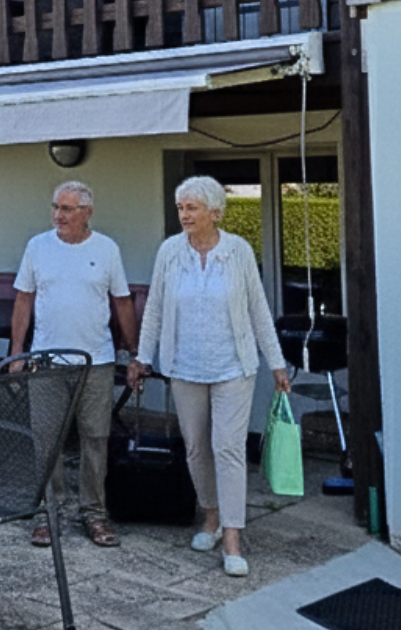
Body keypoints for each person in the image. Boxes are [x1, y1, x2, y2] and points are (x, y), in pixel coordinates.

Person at [128, 175, 291, 577]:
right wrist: (141, 357)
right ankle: (212, 516)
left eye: (192, 208)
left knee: (228, 449)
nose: (183, 214)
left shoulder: (238, 252)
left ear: (214, 212)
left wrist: (277, 361)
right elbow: (156, 310)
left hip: (233, 367)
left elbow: (258, 309)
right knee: (197, 449)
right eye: (180, 207)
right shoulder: (169, 252)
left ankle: (233, 537)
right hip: (185, 367)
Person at [10, 181, 138, 549]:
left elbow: (122, 303)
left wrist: (134, 353)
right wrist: (18, 351)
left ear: (87, 213)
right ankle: (48, 514)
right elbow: (23, 300)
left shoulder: (106, 249)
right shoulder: (38, 246)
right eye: (55, 207)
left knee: (95, 439)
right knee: (46, 440)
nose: (58, 215)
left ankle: (94, 514)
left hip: (96, 361)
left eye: (67, 209)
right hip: (47, 361)